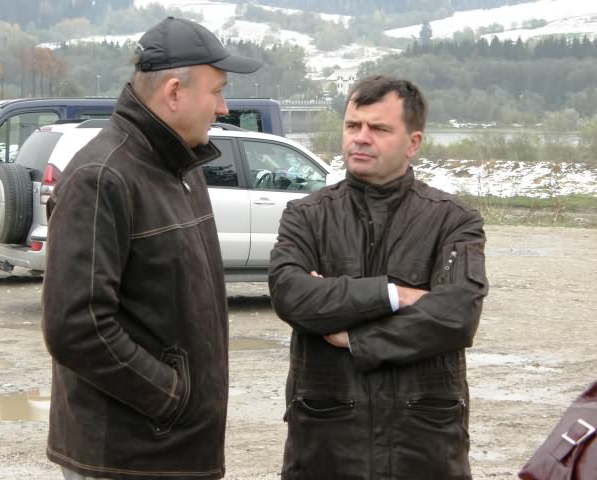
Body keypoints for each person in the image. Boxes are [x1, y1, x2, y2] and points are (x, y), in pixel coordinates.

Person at [42, 17, 260, 480]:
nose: (224, 108)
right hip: (126, 459)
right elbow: (77, 327)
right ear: (175, 93)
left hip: (172, 450)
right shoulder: (102, 177)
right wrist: (171, 397)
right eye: (217, 91)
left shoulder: (183, 169)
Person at [268, 75, 489, 479]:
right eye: (353, 125)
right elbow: (291, 295)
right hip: (326, 448)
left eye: (379, 128)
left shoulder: (453, 220)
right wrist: (395, 295)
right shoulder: (307, 216)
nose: (361, 138)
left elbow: (456, 315)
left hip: (424, 449)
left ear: (413, 142)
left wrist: (355, 339)